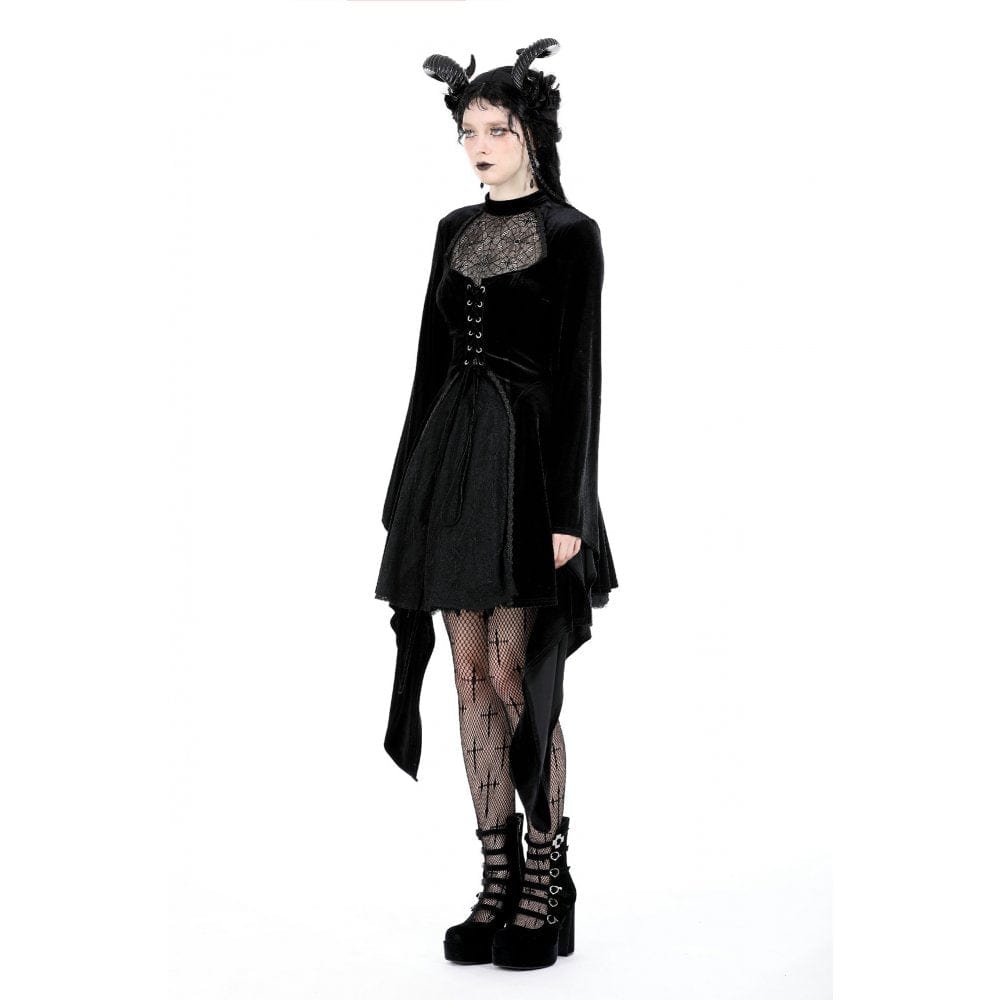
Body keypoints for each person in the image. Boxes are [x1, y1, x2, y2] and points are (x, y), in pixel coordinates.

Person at [374, 37, 619, 970]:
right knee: (468, 674)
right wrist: (403, 492)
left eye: (495, 130)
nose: (478, 147)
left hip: (529, 476)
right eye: (467, 132)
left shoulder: (573, 234)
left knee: (519, 674)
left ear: (532, 134)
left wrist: (571, 513)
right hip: (450, 469)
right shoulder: (452, 230)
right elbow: (427, 365)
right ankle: (497, 874)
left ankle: (547, 876)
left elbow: (581, 379)